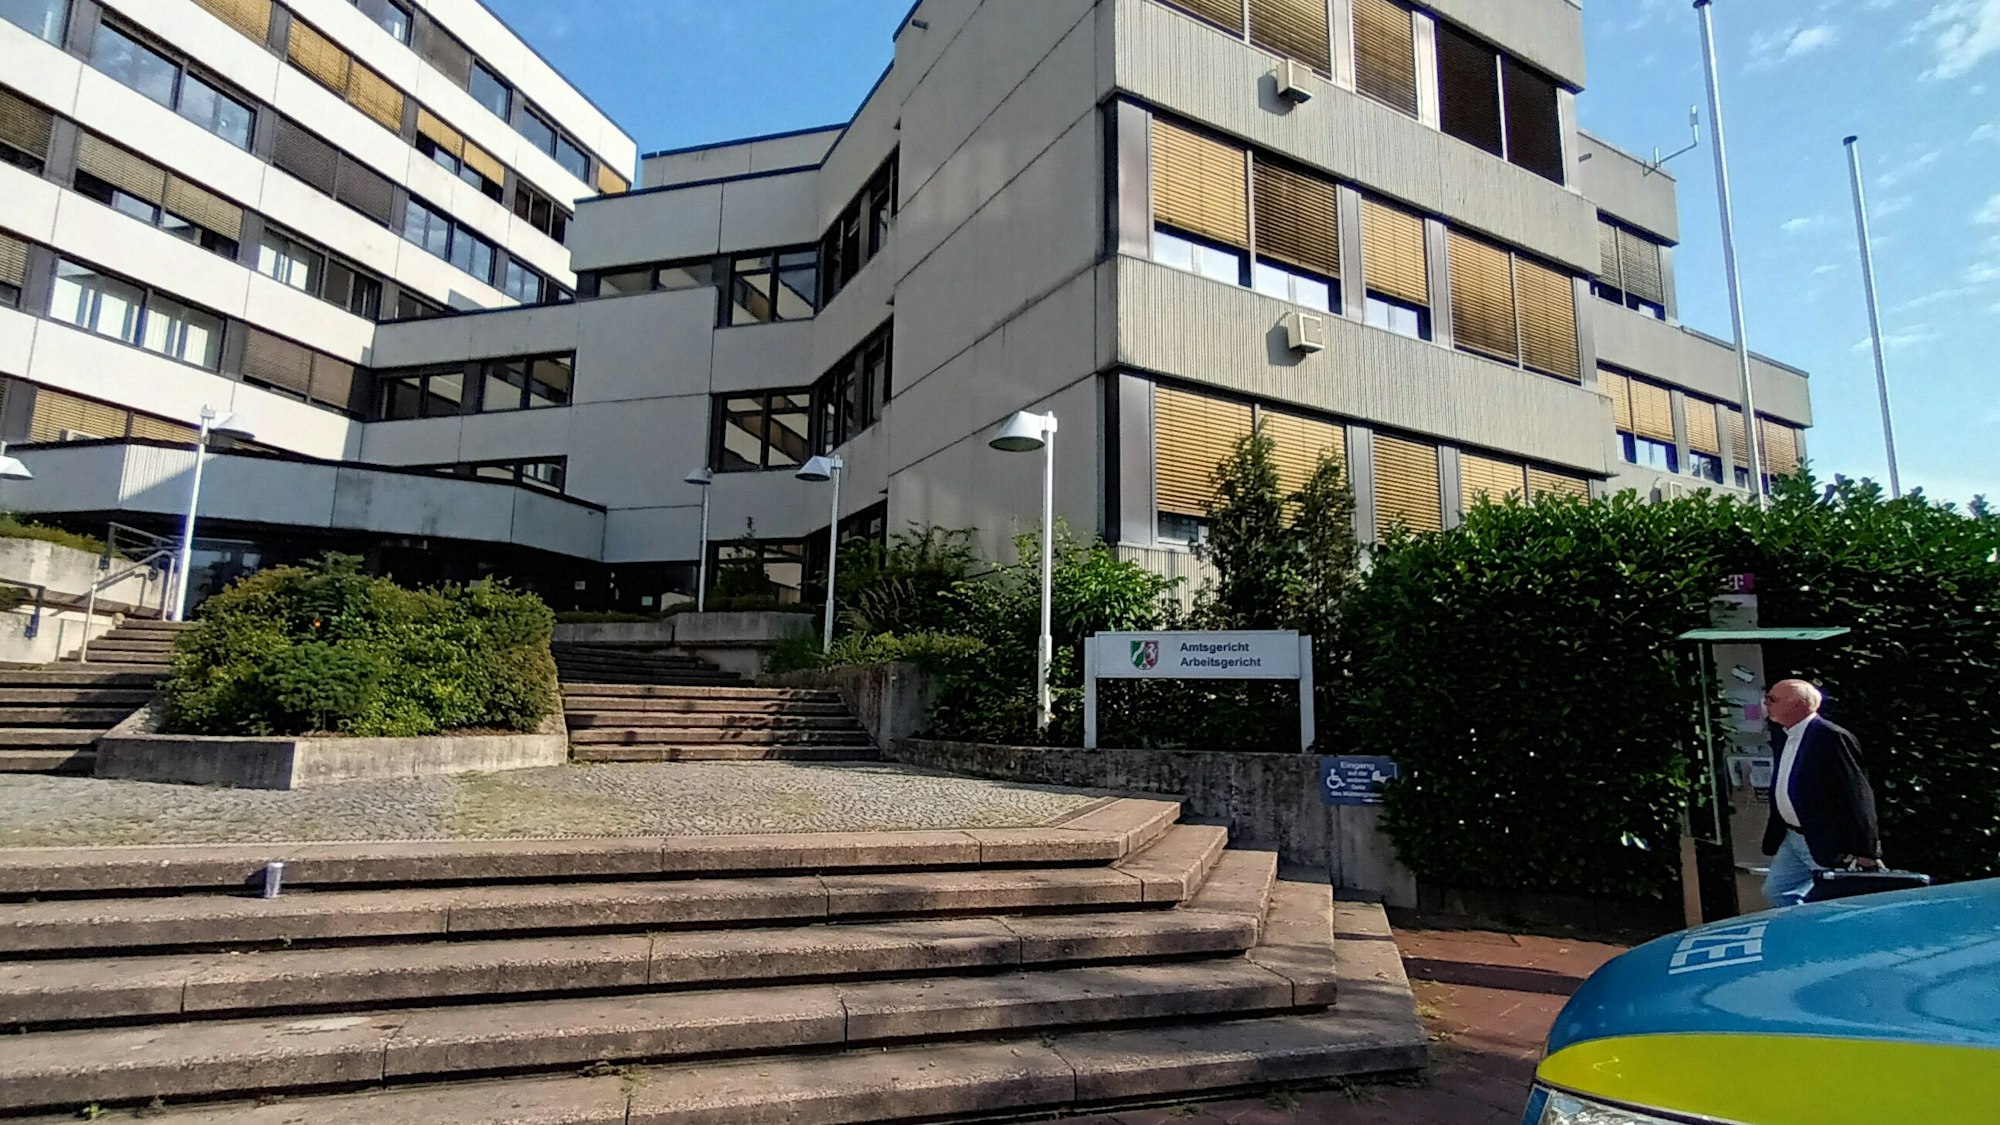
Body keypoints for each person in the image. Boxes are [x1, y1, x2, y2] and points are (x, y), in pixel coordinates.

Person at [1761, 679, 1883, 909]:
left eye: (1773, 699)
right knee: (1777, 891)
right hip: (1792, 836)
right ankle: (1799, 935)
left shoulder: (1830, 737)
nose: (1766, 704)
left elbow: (1856, 793)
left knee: (1835, 899)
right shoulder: (1784, 737)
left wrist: (1866, 849)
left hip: (1823, 836)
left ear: (1798, 705)